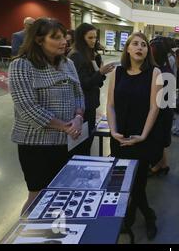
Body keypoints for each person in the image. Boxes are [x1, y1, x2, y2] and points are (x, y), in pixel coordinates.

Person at [8, 18, 85, 214]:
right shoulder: (21, 66)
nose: (64, 41)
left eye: (64, 37)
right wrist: (64, 126)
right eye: (56, 38)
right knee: (37, 196)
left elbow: (79, 93)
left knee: (61, 192)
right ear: (39, 40)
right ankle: (26, 235)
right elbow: (27, 108)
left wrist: (78, 116)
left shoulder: (68, 63)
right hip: (36, 145)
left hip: (66, 141)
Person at [107, 32, 162, 240]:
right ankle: (135, 214)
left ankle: (147, 216)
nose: (140, 47)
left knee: (138, 183)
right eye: (135, 44)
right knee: (122, 181)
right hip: (119, 137)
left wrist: (143, 135)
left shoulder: (154, 73)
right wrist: (113, 131)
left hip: (142, 138)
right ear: (128, 49)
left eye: (144, 45)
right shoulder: (117, 72)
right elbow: (110, 105)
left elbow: (154, 108)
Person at [68, 23, 114, 156]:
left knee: (88, 140)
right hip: (81, 106)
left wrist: (100, 73)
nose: (94, 41)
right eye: (90, 37)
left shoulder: (91, 54)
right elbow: (82, 84)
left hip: (90, 103)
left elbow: (97, 83)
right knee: (81, 144)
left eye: (95, 37)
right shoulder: (76, 56)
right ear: (81, 38)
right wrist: (100, 73)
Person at [149, 37, 174, 176]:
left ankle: (156, 166)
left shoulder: (160, 72)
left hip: (161, 111)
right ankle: (164, 164)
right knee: (162, 140)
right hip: (165, 110)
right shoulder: (166, 69)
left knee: (157, 141)